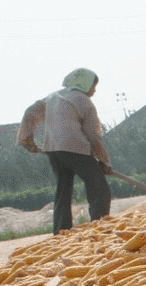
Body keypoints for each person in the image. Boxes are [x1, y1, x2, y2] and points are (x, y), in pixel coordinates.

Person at [17, 68, 112, 234]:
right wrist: (104, 161)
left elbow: (29, 112)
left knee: (63, 189)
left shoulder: (52, 97)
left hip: (53, 150)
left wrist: (26, 139)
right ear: (84, 84)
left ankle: (61, 230)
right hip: (76, 148)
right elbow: (93, 135)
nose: (94, 91)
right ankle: (100, 226)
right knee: (99, 187)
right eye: (93, 86)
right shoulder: (84, 101)